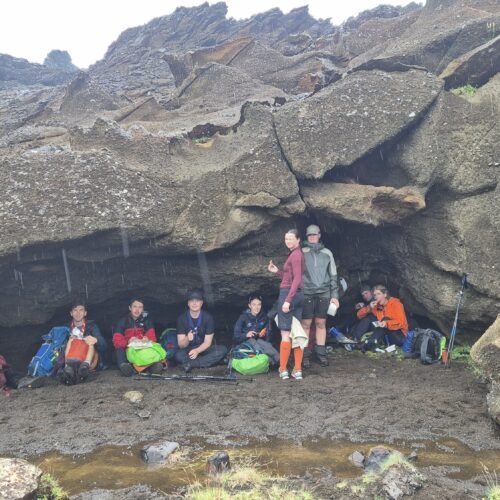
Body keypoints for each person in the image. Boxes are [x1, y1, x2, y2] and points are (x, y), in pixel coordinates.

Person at [267, 228, 305, 380]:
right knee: (297, 332)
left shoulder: (295, 255)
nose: (287, 241)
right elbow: (290, 277)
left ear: (298, 239)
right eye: (286, 239)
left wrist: (288, 300)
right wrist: (277, 272)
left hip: (289, 294)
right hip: (298, 295)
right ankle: (297, 370)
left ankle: (283, 370)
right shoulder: (297, 254)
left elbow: (297, 279)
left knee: (285, 334)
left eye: (290, 238)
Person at [300, 224, 339, 367]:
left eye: (314, 234)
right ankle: (304, 355)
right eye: (310, 235)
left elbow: (333, 275)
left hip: (324, 292)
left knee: (321, 323)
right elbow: (295, 273)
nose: (312, 237)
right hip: (307, 292)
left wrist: (335, 295)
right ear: (306, 236)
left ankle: (321, 354)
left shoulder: (327, 253)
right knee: (306, 324)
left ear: (319, 235)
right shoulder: (301, 252)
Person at [175, 289, 227, 372]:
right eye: (192, 301)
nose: (194, 303)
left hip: (204, 348)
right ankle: (207, 361)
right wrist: (187, 338)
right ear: (188, 303)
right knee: (178, 355)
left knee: (222, 350)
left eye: (197, 301)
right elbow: (181, 345)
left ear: (201, 303)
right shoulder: (182, 319)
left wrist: (197, 351)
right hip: (189, 349)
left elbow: (207, 342)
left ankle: (191, 364)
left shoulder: (208, 318)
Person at [59, 301, 107, 385]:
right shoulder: (66, 327)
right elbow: (58, 345)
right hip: (70, 358)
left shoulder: (91, 326)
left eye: (81, 310)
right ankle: (69, 370)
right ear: (71, 313)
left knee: (90, 342)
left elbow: (104, 345)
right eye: (75, 310)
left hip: (87, 357)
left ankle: (84, 367)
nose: (78, 313)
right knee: (69, 342)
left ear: (85, 313)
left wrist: (95, 339)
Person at [112, 298, 162, 376]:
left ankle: (152, 367)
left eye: (140, 307)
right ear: (130, 308)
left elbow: (152, 338)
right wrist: (128, 342)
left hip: (142, 348)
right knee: (119, 350)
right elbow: (117, 341)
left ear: (143, 309)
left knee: (154, 347)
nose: (137, 310)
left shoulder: (147, 321)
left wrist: (145, 339)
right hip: (128, 349)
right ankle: (126, 367)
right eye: (135, 306)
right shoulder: (122, 321)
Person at [233, 293, 280, 367]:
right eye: (254, 304)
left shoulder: (264, 317)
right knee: (254, 342)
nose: (256, 307)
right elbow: (236, 336)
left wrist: (263, 334)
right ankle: (270, 362)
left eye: (259, 304)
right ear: (249, 305)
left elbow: (269, 335)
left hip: (259, 341)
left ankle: (279, 360)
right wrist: (246, 335)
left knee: (266, 344)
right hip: (245, 343)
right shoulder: (243, 317)